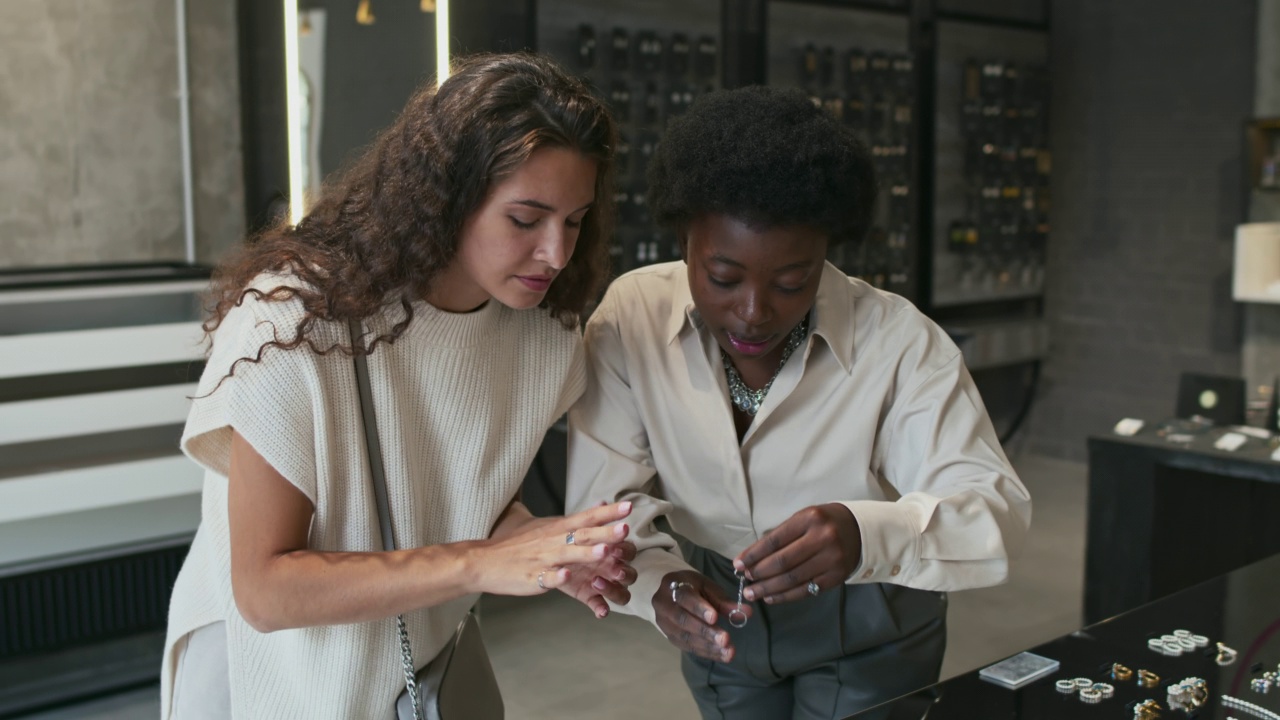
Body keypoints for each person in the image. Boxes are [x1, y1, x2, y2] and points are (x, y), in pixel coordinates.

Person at [161, 53, 639, 719]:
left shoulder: (544, 338)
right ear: (447, 196)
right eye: (525, 220)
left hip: (408, 665)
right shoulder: (295, 319)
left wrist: (546, 551)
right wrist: (479, 564)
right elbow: (266, 591)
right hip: (267, 673)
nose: (556, 254)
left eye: (576, 220)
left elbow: (471, 495)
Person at [565, 85, 1032, 720]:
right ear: (683, 239)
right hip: (717, 608)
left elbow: (995, 511)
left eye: (793, 282)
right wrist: (658, 584)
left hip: (872, 616)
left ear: (826, 254)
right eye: (723, 278)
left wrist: (865, 536)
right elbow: (602, 506)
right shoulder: (631, 319)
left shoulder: (899, 342)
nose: (754, 312)